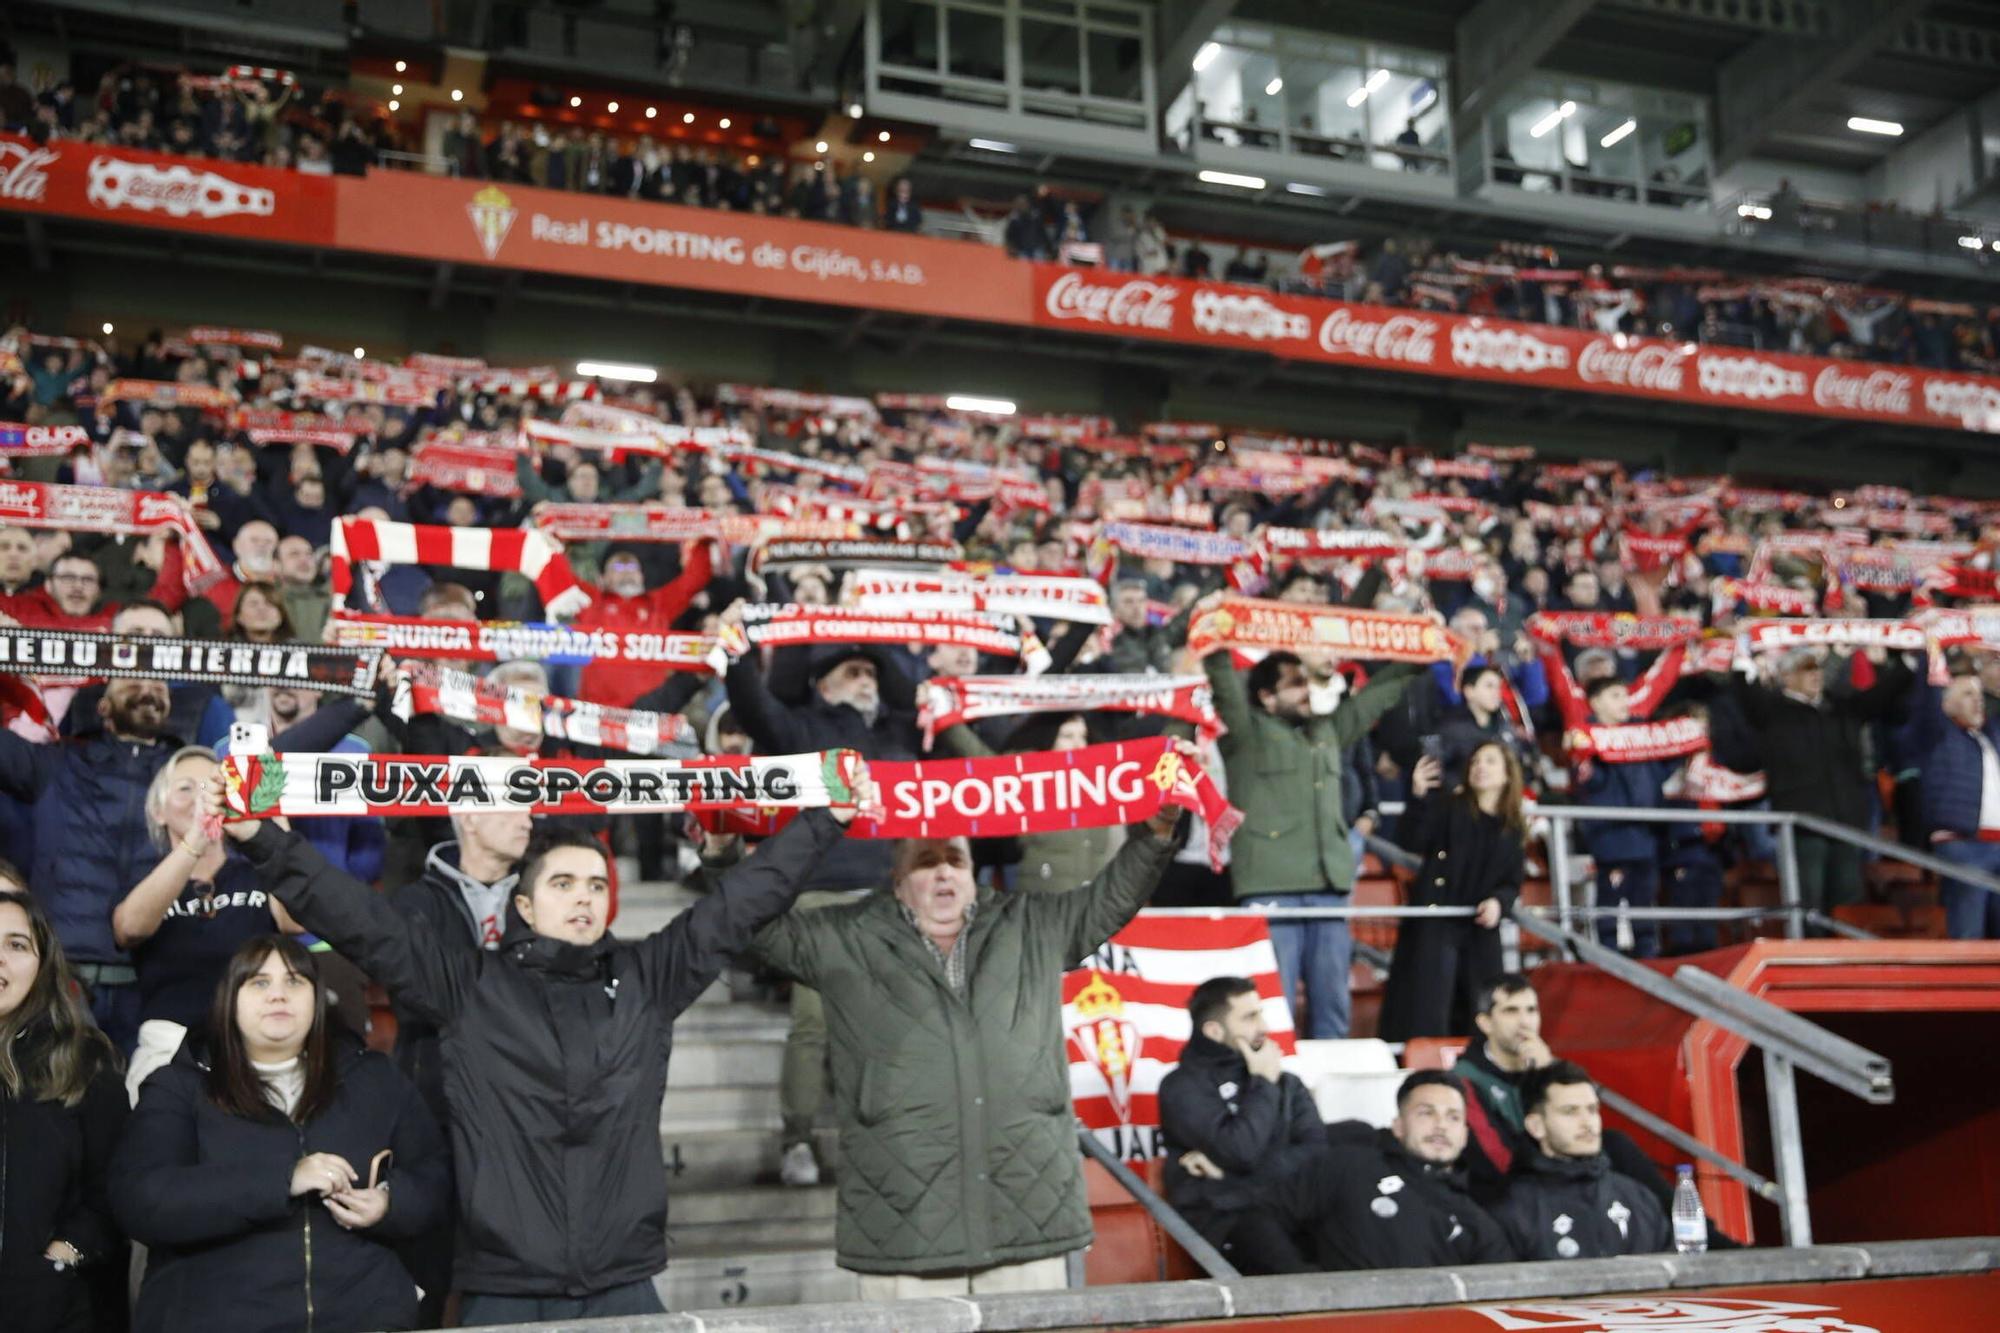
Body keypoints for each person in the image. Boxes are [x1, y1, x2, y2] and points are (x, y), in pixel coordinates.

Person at [202, 768, 870, 1324]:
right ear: (523, 906)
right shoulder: (468, 984)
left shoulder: (648, 979)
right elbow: (359, 919)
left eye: (598, 886)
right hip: (505, 1289)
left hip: (625, 1283)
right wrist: (262, 838)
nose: (584, 898)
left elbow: (739, 905)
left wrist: (825, 819)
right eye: (563, 883)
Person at [739, 780, 1186, 1296]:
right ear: (898, 878)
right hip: (906, 1232)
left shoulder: (1030, 924)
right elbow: (750, 922)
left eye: (955, 858)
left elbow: (1113, 896)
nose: (945, 871)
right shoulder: (844, 936)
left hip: (1027, 1224)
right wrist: (724, 853)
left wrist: (1156, 831)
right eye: (926, 861)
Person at [113, 935, 452, 1333]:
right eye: (258, 983)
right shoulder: (180, 1087)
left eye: (294, 982)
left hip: (362, 1316)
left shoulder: (375, 1079)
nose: (278, 995)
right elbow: (142, 1199)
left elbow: (434, 1176)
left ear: (318, 999)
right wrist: (284, 1179)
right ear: (229, 1000)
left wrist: (389, 1204)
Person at [1206, 644, 1419, 1038]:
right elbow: (1221, 677)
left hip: (1329, 887)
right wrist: (1217, 635)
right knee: (1271, 1008)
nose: (1306, 690)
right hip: (1272, 887)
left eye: (1306, 682)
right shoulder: (1245, 732)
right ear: (1266, 697)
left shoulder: (1326, 729)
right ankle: (1272, 1090)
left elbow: (1376, 697)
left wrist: (1418, 655)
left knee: (1333, 1008)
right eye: (1294, 684)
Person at [0, 674, 183, 1052]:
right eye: (132, 684)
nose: (148, 689)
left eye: (160, 686)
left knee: (144, 1107)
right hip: (62, 979)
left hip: (153, 983)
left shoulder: (187, 774)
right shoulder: (58, 763)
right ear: (102, 707)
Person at [115, 745, 299, 1098]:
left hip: (255, 1042)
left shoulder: (255, 872)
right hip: (168, 1044)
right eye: (185, 788)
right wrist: (198, 837)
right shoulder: (144, 877)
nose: (201, 797)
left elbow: (295, 922)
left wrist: (273, 821)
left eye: (212, 787)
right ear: (158, 810)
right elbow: (129, 928)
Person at [0, 882, 130, 1333]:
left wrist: (64, 1255)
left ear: (43, 964)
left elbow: (115, 1191)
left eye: (16, 944)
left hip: (49, 1312)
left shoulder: (84, 1061)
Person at [1734, 645, 1910, 926]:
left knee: (1848, 900)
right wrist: (1740, 649)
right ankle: (1809, 962)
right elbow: (1744, 689)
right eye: (1806, 669)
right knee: (1808, 900)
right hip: (1804, 824)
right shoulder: (1772, 712)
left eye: (1816, 668)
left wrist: (1909, 657)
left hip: (1846, 820)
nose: (1815, 674)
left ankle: (1846, 963)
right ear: (1786, 677)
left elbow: (1883, 695)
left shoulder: (1841, 708)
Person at [1272, 1071, 1513, 1270]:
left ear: (1464, 1136)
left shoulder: (1481, 1225)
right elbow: (1261, 1217)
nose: (1441, 1125)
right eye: (1426, 1113)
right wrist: (1302, 1285)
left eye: (1453, 1117)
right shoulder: (1349, 1166)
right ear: (1398, 1126)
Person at [1158, 976, 1320, 1274]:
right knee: (1299, 1280)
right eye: (1249, 1017)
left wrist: (1230, 1176)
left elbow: (1316, 1151)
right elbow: (1240, 1150)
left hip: (1291, 1205)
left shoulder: (1288, 1084)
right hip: (1227, 1218)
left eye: (1261, 1013)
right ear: (1214, 1030)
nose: (1264, 1027)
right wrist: (1263, 1083)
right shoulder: (1182, 1087)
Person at [1378, 741, 1526, 1040]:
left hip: (1479, 928)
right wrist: (1418, 795)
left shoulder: (1513, 826)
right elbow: (1412, 841)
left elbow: (1511, 882)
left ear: (1508, 774)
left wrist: (1499, 902)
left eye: (1490, 761)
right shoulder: (1449, 806)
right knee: (1430, 1007)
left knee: (1483, 1005)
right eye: (1475, 762)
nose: (1480, 767)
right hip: (1439, 920)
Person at [1491, 1060, 1672, 1260]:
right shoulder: (1513, 1210)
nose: (1588, 1123)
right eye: (1570, 1111)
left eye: (1592, 1110)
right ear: (1536, 1126)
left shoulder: (1639, 1198)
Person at [1910, 665, 2000, 939]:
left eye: (1979, 694)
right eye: (1967, 694)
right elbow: (1925, 701)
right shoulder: (1938, 734)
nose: (1977, 699)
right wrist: (1930, 650)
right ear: (1945, 703)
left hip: (1997, 844)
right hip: (1963, 845)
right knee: (1968, 933)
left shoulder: (1990, 736)